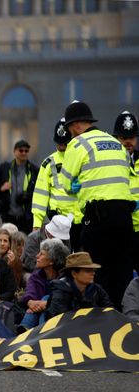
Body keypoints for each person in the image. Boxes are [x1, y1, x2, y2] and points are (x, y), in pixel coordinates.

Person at [60, 100, 134, 309]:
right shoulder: (117, 144)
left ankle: (102, 324)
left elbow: (66, 183)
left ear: (74, 126)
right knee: (123, 273)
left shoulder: (78, 144)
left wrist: (75, 186)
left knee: (97, 274)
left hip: (98, 219)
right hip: (124, 219)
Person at [31, 119, 81, 248]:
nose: (62, 147)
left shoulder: (83, 158)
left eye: (65, 143)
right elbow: (40, 195)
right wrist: (36, 224)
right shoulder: (49, 163)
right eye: (59, 143)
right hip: (57, 222)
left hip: (80, 219)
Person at [0, 139, 39, 233]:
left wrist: (29, 195)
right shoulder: (4, 168)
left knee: (25, 244)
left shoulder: (34, 170)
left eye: (26, 151)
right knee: (7, 243)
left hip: (27, 216)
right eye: (21, 150)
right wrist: (0, 187)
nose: (24, 153)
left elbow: (41, 189)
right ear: (14, 151)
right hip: (9, 216)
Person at [19, 239, 69, 329]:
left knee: (46, 298)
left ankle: (30, 329)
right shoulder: (36, 276)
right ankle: (25, 329)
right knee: (38, 306)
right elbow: (30, 292)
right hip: (36, 315)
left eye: (41, 254)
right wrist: (30, 302)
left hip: (60, 319)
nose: (37, 256)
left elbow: (62, 301)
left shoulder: (65, 277)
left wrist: (46, 304)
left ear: (51, 261)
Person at [111, 110, 139, 275]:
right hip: (120, 227)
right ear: (116, 139)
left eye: (132, 137)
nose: (128, 142)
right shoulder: (108, 162)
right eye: (123, 138)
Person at [46, 252, 113, 319]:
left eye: (93, 270)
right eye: (88, 271)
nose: (93, 273)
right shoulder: (60, 291)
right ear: (74, 274)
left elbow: (110, 311)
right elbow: (58, 319)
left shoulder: (97, 289)